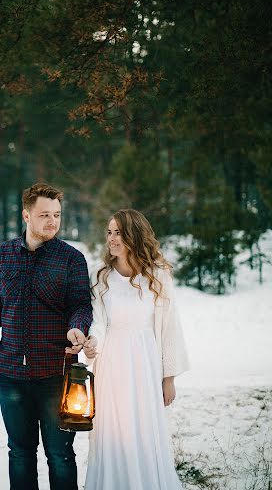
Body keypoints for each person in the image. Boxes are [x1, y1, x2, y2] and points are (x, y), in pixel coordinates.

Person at [0, 182, 92, 490]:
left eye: (56, 214)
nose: (52, 221)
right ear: (26, 215)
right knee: (20, 454)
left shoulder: (71, 259)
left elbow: (81, 304)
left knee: (60, 455)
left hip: (57, 373)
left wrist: (78, 327)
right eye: (44, 214)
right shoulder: (2, 256)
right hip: (12, 372)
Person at [81, 208, 189, 490]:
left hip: (145, 360)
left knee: (143, 429)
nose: (112, 239)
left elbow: (169, 328)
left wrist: (169, 378)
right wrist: (93, 344)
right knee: (113, 431)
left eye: (118, 232)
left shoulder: (158, 276)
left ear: (134, 236)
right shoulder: (101, 277)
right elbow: (100, 323)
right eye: (109, 232)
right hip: (111, 363)